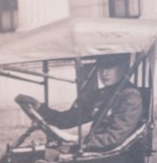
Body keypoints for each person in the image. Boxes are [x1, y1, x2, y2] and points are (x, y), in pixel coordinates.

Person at [15, 52, 143, 152]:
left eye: (110, 67)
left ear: (123, 67)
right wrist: (39, 107)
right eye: (101, 68)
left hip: (108, 157)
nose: (104, 73)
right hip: (94, 152)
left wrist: (75, 139)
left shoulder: (130, 96)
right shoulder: (102, 94)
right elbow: (67, 119)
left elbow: (113, 138)